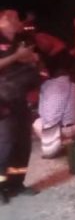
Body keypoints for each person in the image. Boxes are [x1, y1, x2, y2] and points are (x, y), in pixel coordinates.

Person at [0, 10, 40, 203]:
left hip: (19, 98)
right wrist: (17, 57)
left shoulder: (20, 40)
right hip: (2, 100)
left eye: (16, 17)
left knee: (23, 144)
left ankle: (17, 184)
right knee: (5, 144)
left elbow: (30, 59)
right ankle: (1, 187)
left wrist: (30, 58)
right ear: (3, 20)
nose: (18, 21)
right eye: (13, 17)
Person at [32, 64, 75, 159]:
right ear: (69, 76)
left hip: (49, 130)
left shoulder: (44, 86)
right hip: (69, 130)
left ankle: (54, 141)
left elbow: (41, 111)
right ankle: (66, 141)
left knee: (36, 123)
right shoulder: (74, 87)